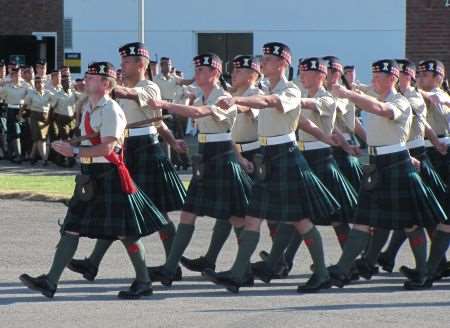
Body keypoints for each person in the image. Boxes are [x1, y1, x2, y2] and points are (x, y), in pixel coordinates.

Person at [19, 61, 167, 299]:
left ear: (106, 84)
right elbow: (93, 136)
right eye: (86, 77)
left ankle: (143, 281)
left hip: (109, 175)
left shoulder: (111, 109)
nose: (85, 80)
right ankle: (50, 281)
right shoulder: (90, 106)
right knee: (71, 228)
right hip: (90, 176)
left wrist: (74, 152)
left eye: (91, 78)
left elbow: (108, 147)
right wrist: (72, 143)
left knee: (126, 233)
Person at [203, 42, 340, 294]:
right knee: (253, 216)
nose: (263, 63)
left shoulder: (290, 90)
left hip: (285, 157)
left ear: (282, 64)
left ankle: (321, 274)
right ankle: (238, 274)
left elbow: (268, 102)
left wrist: (236, 97)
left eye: (267, 59)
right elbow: (255, 104)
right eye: (263, 58)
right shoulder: (265, 88)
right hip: (267, 156)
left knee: (300, 219)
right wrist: (235, 102)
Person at [67, 42, 187, 283]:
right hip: (127, 151)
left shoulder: (148, 87)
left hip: (146, 153)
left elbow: (146, 110)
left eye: (126, 62)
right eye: (121, 62)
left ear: (141, 64)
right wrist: (173, 142)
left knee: (158, 213)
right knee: (119, 210)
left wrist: (107, 85)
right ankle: (92, 263)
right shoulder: (121, 90)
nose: (122, 65)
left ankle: (172, 266)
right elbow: (157, 122)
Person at [328, 59, 447, 289]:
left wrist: (349, 94)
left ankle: (423, 272)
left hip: (396, 164)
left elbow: (380, 110)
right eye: (373, 77)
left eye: (378, 77)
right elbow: (365, 98)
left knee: (411, 223)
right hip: (376, 163)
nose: (373, 81)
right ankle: (343, 269)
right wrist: (346, 87)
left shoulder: (400, 101)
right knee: (362, 220)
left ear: (392, 79)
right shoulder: (376, 95)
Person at [145, 52, 253, 287]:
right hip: (206, 156)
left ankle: (243, 270)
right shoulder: (201, 95)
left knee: (236, 217)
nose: (197, 74)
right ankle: (170, 268)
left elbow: (198, 114)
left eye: (202, 70)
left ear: (214, 72)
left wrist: (164, 104)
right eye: (196, 69)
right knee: (188, 212)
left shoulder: (223, 97)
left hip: (222, 158)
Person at [180, 54, 263, 274]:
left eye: (239, 71)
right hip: (236, 153)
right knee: (230, 211)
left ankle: (276, 260)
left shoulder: (254, 94)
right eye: (233, 70)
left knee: (256, 214)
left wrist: (235, 102)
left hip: (253, 154)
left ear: (252, 75)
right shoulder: (229, 95)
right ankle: (213, 259)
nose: (233, 74)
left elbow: (243, 110)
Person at [0, 66, 29, 162]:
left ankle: (20, 154)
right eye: (15, 75)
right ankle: (16, 155)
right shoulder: (7, 87)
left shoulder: (25, 85)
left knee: (22, 133)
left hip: (22, 110)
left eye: (19, 75)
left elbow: (29, 97)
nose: (17, 77)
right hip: (11, 110)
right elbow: (2, 96)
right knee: (13, 133)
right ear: (11, 76)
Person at [23, 76, 54, 165]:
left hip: (45, 117)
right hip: (34, 116)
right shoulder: (31, 93)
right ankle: (44, 159)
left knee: (38, 139)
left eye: (40, 82)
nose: (38, 84)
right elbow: (25, 105)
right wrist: (20, 114)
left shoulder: (48, 93)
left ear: (43, 83)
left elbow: (54, 103)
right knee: (40, 138)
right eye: (36, 82)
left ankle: (32, 156)